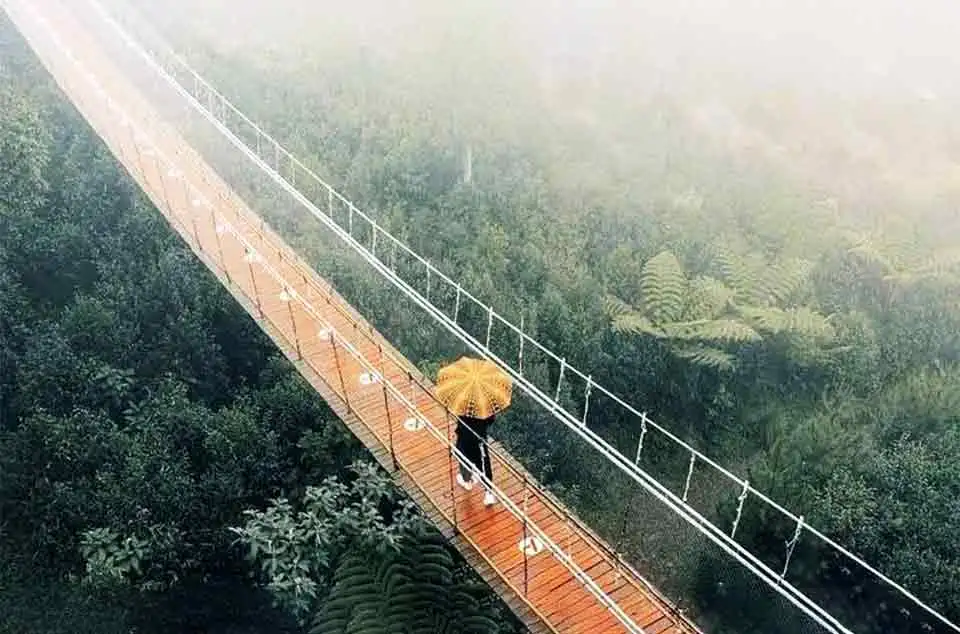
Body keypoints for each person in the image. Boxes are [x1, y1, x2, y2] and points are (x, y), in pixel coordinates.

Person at [454, 414, 496, 506]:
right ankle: (489, 493)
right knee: (484, 463)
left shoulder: (464, 404)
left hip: (465, 435)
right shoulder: (484, 406)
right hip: (480, 437)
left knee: (462, 456)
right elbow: (490, 420)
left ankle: (467, 480)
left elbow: (459, 417)